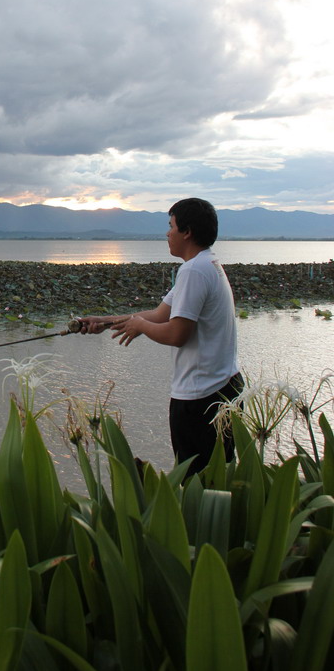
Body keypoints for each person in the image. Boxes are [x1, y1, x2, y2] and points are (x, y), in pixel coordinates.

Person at [78, 197, 241, 476]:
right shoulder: (206, 264)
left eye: (171, 226)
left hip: (201, 397)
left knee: (198, 485)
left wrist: (140, 326)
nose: (167, 233)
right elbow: (159, 314)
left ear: (186, 231)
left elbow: (177, 333)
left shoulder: (194, 270)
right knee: (220, 481)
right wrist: (103, 321)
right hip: (224, 388)